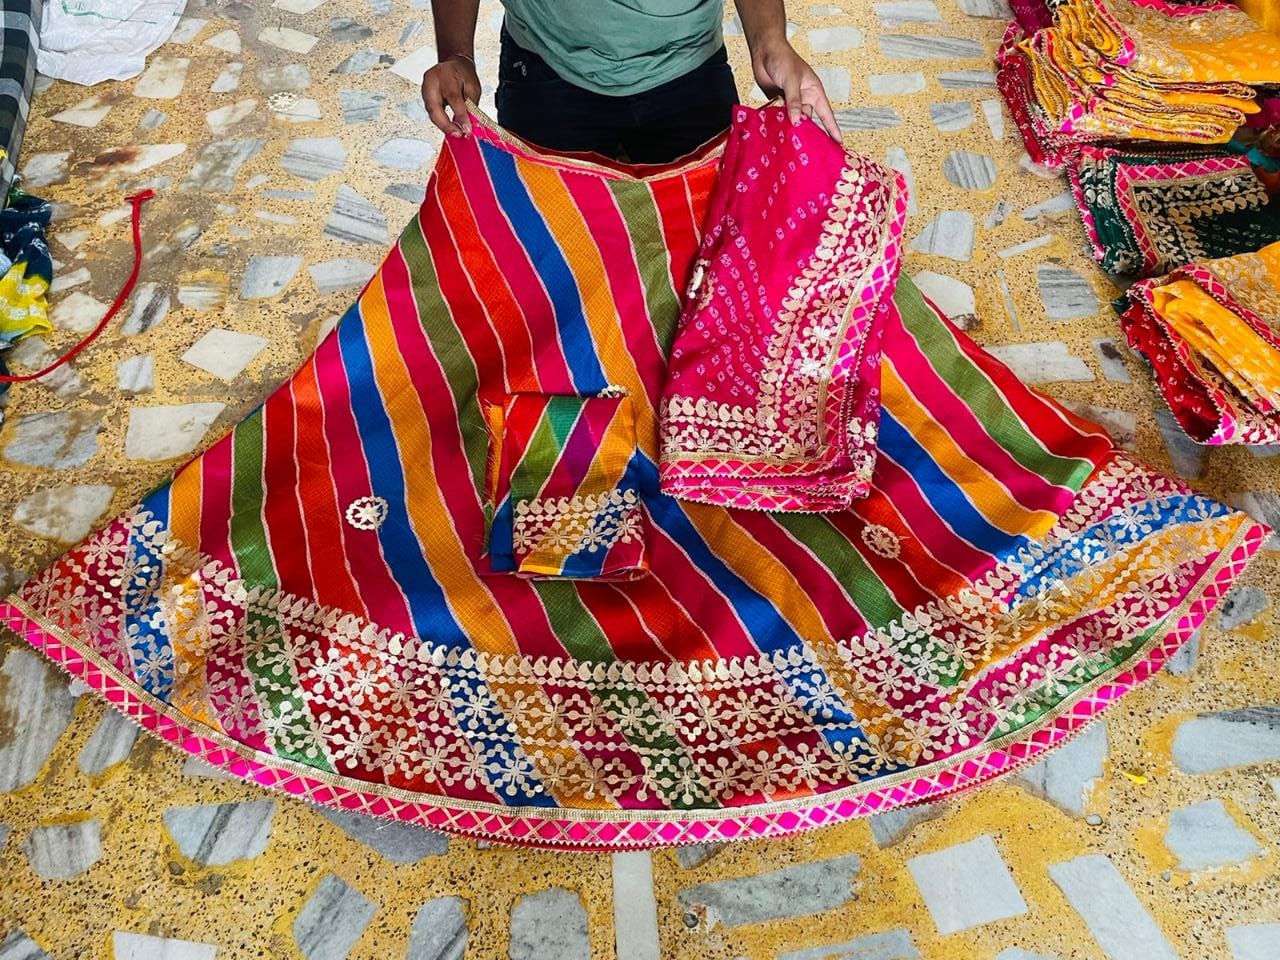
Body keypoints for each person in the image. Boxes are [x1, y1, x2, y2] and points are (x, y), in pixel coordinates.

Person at [421, 1, 840, 164]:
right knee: (549, 260)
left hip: (686, 62)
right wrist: (457, 55)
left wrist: (770, 41)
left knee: (710, 259)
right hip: (548, 61)